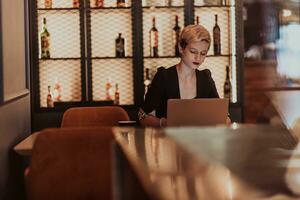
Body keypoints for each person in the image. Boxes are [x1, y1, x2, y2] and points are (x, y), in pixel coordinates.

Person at [139, 24, 228, 127]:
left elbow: (223, 116)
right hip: (168, 141)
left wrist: (225, 120)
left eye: (203, 53)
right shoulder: (164, 77)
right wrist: (164, 123)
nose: (198, 58)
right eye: (193, 51)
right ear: (181, 48)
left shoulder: (205, 78)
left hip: (199, 141)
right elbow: (142, 117)